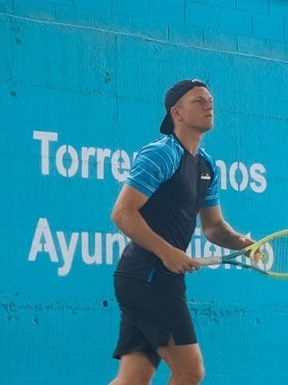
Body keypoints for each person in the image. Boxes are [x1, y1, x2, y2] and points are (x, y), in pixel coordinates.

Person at [109, 79, 256, 385]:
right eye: (198, 101)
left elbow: (214, 228)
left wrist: (242, 242)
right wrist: (166, 251)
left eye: (210, 100)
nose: (208, 105)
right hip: (148, 276)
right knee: (190, 371)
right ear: (176, 112)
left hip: (148, 279)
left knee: (132, 381)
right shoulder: (161, 154)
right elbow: (122, 213)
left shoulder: (207, 166)